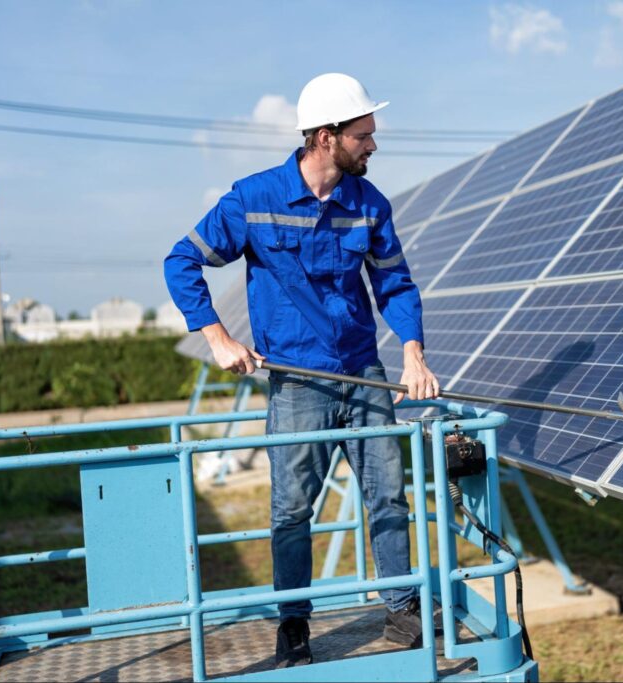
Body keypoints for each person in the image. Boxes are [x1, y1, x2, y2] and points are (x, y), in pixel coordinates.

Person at [164, 73, 439, 668]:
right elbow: (181, 260)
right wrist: (216, 336)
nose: (373, 146)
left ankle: (402, 610)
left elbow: (394, 283)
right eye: (363, 136)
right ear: (324, 137)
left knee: (389, 496)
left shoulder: (370, 204)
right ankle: (294, 626)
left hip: (363, 373)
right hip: (296, 382)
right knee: (292, 510)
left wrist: (413, 351)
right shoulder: (254, 198)